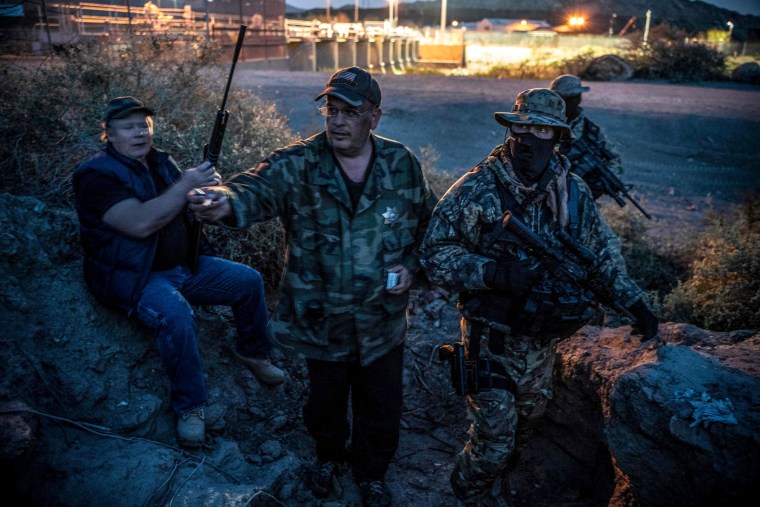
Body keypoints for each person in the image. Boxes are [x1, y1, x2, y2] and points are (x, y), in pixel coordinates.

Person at [188, 67, 438, 507]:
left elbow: (427, 226)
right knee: (325, 401)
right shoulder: (297, 163)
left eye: (350, 112)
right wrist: (221, 201)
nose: (337, 121)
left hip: (383, 320)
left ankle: (372, 473)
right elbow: (253, 188)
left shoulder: (401, 164)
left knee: (381, 406)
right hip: (321, 318)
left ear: (374, 117)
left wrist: (412, 268)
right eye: (331, 110)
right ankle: (328, 458)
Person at [419, 88, 658, 506]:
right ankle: (464, 494)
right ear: (511, 129)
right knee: (493, 443)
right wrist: (489, 272)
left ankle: (492, 490)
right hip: (489, 337)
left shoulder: (574, 192)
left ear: (557, 137)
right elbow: (434, 254)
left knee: (524, 429)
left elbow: (600, 257)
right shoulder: (478, 189)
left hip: (541, 343)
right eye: (522, 127)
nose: (528, 137)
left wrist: (635, 305)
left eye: (541, 129)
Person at [72, 96, 285, 448]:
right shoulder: (95, 175)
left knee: (247, 280)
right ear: (108, 133)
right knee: (176, 314)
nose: (140, 133)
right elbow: (141, 224)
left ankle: (253, 352)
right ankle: (190, 407)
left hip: (184, 267)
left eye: (144, 125)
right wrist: (184, 185)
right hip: (136, 277)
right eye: (129, 127)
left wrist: (203, 197)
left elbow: (181, 204)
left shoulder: (160, 162)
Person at [549, 74, 624, 201]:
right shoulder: (542, 124)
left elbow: (613, 159)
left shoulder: (590, 131)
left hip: (578, 196)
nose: (565, 103)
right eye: (562, 99)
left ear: (578, 98)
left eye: (571, 98)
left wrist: (598, 184)